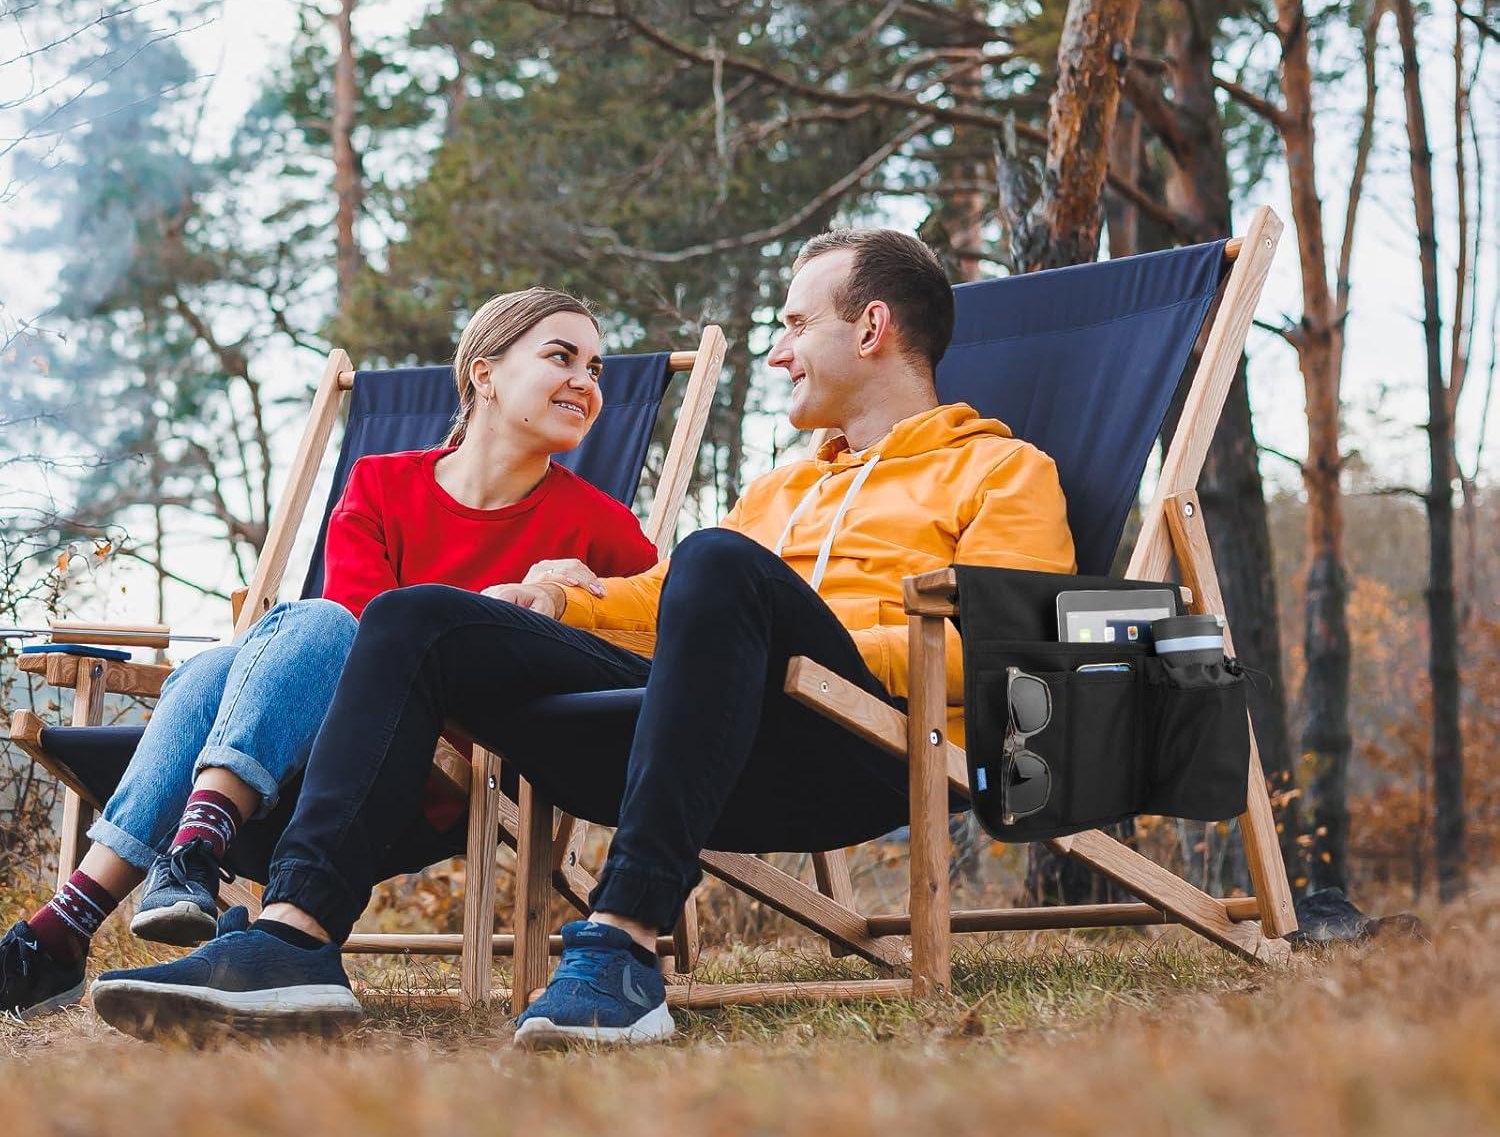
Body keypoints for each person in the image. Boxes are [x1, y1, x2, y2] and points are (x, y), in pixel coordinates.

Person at [90, 229, 1076, 1047]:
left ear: (871, 327)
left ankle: (624, 942)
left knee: (720, 559)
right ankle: (296, 936)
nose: (779, 352)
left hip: (860, 748)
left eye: (794, 325)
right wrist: (568, 601)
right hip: (701, 737)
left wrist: (803, 664)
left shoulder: (1000, 473)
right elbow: (670, 602)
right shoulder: (781, 490)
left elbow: (1011, 653)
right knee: (418, 615)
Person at [1, 288, 657, 1020]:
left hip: (423, 773)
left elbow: (661, 639)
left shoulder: (598, 527)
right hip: (300, 763)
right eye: (562, 358)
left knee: (283, 636)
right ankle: (123, 894)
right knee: (241, 655)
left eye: (596, 369)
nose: (586, 382)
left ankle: (124, 890)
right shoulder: (382, 483)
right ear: (485, 374)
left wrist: (579, 601)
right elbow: (358, 638)